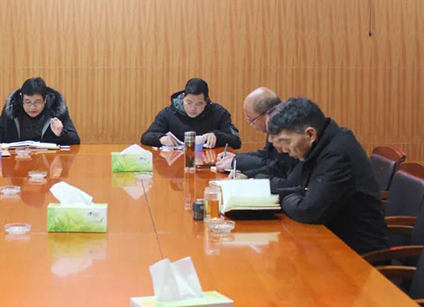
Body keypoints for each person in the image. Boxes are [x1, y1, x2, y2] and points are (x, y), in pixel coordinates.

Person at [267, 97, 388, 254]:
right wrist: (291, 195)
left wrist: (279, 198)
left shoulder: (338, 154)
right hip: (329, 239)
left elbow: (308, 210)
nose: (283, 150)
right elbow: (297, 187)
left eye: (286, 141)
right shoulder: (319, 145)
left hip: (358, 252)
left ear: (310, 134)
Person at [216, 88, 295, 188]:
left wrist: (246, 172)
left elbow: (281, 171)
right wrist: (238, 160)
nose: (270, 140)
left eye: (251, 119)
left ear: (267, 114)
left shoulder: (287, 132)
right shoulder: (276, 126)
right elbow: (269, 157)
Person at [141, 78, 241, 148]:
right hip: (176, 163)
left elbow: (236, 142)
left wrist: (217, 135)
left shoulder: (218, 113)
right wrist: (160, 138)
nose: (193, 108)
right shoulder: (169, 113)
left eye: (199, 104)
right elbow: (146, 137)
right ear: (183, 98)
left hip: (209, 163)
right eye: (189, 102)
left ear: (206, 101)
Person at [0, 77, 80, 145]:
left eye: (37, 102)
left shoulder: (56, 110)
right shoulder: (11, 110)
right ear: (22, 99)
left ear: (45, 100)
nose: (32, 107)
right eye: (27, 102)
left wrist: (61, 133)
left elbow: (75, 140)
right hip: (17, 163)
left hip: (48, 164)